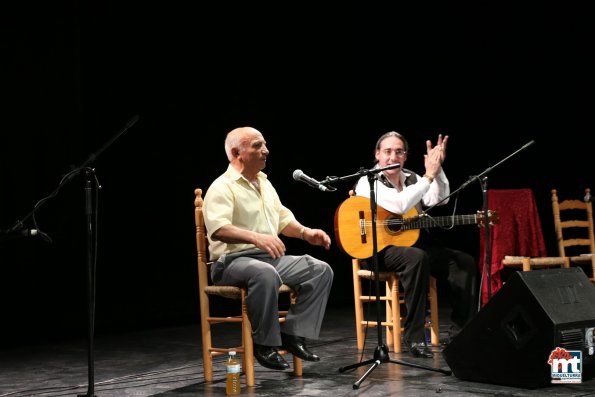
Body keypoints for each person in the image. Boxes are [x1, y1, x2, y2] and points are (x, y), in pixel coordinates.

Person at [203, 126, 334, 370]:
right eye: (257, 146)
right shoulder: (222, 186)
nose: (266, 150)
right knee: (264, 273)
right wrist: (256, 238)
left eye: (264, 144)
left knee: (319, 269)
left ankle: (294, 335)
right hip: (232, 262)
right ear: (236, 152)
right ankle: (264, 344)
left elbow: (283, 219)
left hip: (268, 259)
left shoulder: (264, 183)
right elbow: (218, 229)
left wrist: (306, 233)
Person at [353, 131, 478, 358]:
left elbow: (441, 199)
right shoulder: (367, 182)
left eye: (399, 152)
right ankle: (415, 338)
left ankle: (462, 333)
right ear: (377, 154)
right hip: (378, 250)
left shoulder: (412, 178)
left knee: (463, 262)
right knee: (416, 256)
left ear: (406, 156)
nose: (393, 157)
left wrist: (437, 170)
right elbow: (400, 205)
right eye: (388, 151)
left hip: (412, 247)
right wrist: (428, 177)